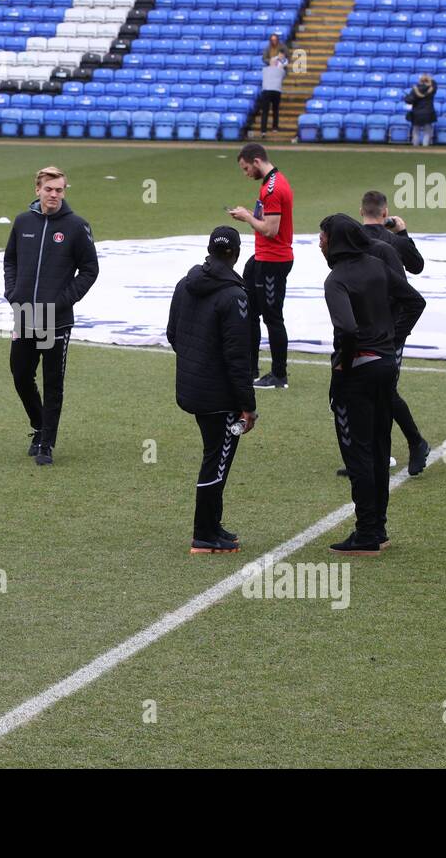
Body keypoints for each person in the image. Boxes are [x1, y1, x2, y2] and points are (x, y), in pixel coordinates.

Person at [319, 215, 426, 556]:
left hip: (357, 373)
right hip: (385, 367)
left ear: (335, 240)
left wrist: (345, 362)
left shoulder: (336, 280)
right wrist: (392, 339)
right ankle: (377, 528)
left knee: (357, 452)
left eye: (322, 237)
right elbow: (415, 301)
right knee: (380, 447)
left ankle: (366, 532)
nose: (319, 242)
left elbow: (347, 329)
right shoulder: (378, 266)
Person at [166, 226, 258, 555]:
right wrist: (248, 405)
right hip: (220, 396)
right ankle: (204, 534)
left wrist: (197, 364)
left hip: (194, 388)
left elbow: (173, 333)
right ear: (235, 253)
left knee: (214, 456)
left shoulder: (184, 284)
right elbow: (238, 357)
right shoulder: (234, 296)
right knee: (216, 460)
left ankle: (213, 525)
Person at [2, 165, 98, 466]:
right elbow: (10, 261)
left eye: (59, 189)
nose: (54, 194)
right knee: (20, 375)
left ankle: (46, 443)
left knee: (52, 381)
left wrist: (62, 301)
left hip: (55, 319)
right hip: (25, 314)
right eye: (49, 189)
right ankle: (39, 424)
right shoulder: (22, 222)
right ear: (37, 190)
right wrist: (12, 293)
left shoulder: (76, 226)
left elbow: (90, 270)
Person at [358, 191, 429, 475]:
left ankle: (407, 444)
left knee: (379, 390)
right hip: (390, 327)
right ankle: (395, 447)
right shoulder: (393, 241)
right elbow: (417, 266)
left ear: (361, 210)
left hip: (364, 325)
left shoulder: (353, 239)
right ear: (385, 212)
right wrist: (404, 231)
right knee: (380, 389)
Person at [228, 143, 294, 389]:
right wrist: (248, 214)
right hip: (262, 257)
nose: (246, 174)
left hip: (273, 260)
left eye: (246, 168)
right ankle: (250, 368)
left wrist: (247, 217)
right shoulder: (271, 183)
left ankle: (279, 375)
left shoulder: (273, 189)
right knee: (251, 313)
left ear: (256, 161)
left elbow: (270, 229)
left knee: (272, 317)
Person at [259, 49, 288, 137]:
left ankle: (270, 128)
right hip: (272, 90)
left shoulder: (266, 70)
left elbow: (283, 66)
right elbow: (283, 66)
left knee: (272, 110)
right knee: (269, 111)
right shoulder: (274, 70)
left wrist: (277, 59)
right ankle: (267, 129)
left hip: (272, 90)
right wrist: (279, 59)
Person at [404, 74, 438, 147]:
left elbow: (409, 101)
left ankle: (415, 146)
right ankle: (425, 146)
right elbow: (435, 84)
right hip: (428, 112)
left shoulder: (415, 89)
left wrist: (407, 97)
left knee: (416, 131)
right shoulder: (431, 88)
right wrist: (429, 79)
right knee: (427, 131)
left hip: (417, 113)